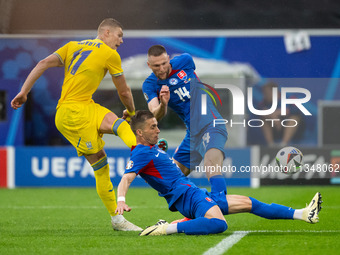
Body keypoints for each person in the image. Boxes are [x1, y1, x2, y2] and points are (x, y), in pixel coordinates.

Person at [11, 18, 141, 231]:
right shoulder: (110, 54)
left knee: (119, 124)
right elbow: (124, 91)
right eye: (119, 35)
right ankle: (117, 220)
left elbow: (42, 63)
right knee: (101, 166)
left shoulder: (72, 46)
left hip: (85, 106)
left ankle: (143, 154)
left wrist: (24, 91)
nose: (121, 41)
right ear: (106, 32)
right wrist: (133, 111)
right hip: (72, 115)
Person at [115, 110, 322, 236]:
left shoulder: (151, 149)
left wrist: (158, 147)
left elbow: (161, 167)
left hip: (192, 191)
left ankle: (303, 214)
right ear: (140, 133)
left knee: (250, 203)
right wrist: (121, 199)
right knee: (219, 224)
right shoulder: (141, 152)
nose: (158, 130)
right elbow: (127, 177)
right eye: (153, 127)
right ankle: (167, 228)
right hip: (186, 195)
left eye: (157, 125)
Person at [143, 44, 227, 196]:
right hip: (193, 134)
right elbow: (155, 115)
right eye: (156, 66)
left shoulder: (185, 61)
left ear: (169, 59)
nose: (161, 69)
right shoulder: (149, 85)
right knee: (170, 181)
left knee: (211, 165)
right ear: (149, 65)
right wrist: (163, 103)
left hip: (211, 124)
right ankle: (198, 207)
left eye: (164, 63)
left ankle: (220, 205)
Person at [258, 82, 305, 146]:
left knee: (294, 118)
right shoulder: (264, 102)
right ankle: (271, 144)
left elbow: (296, 110)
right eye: (264, 93)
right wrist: (274, 117)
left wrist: (276, 113)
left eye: (267, 93)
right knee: (263, 119)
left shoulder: (288, 97)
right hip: (276, 129)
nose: (266, 95)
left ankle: (284, 143)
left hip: (294, 130)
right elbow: (260, 111)